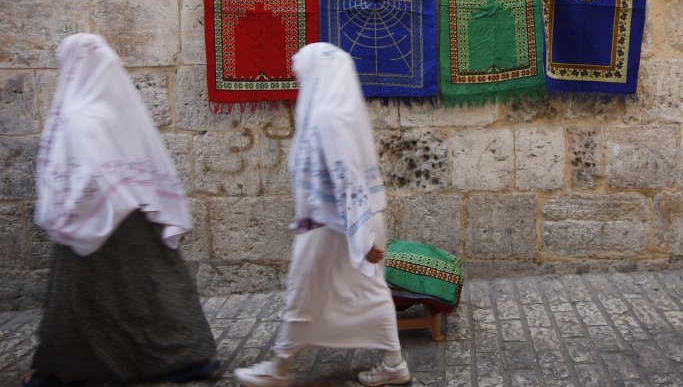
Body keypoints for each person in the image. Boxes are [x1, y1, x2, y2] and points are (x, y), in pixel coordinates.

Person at [22, 33, 218, 387]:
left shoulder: (79, 112)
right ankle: (188, 359)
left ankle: (55, 374)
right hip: (138, 222)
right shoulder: (121, 108)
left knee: (77, 305)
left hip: (93, 222)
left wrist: (68, 215)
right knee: (154, 292)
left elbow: (87, 175)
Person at [234, 43, 411, 387]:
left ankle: (280, 370)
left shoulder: (330, 118)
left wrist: (362, 237)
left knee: (304, 292)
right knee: (367, 291)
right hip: (342, 220)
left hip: (336, 224)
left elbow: (348, 177)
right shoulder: (335, 112)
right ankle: (393, 364)